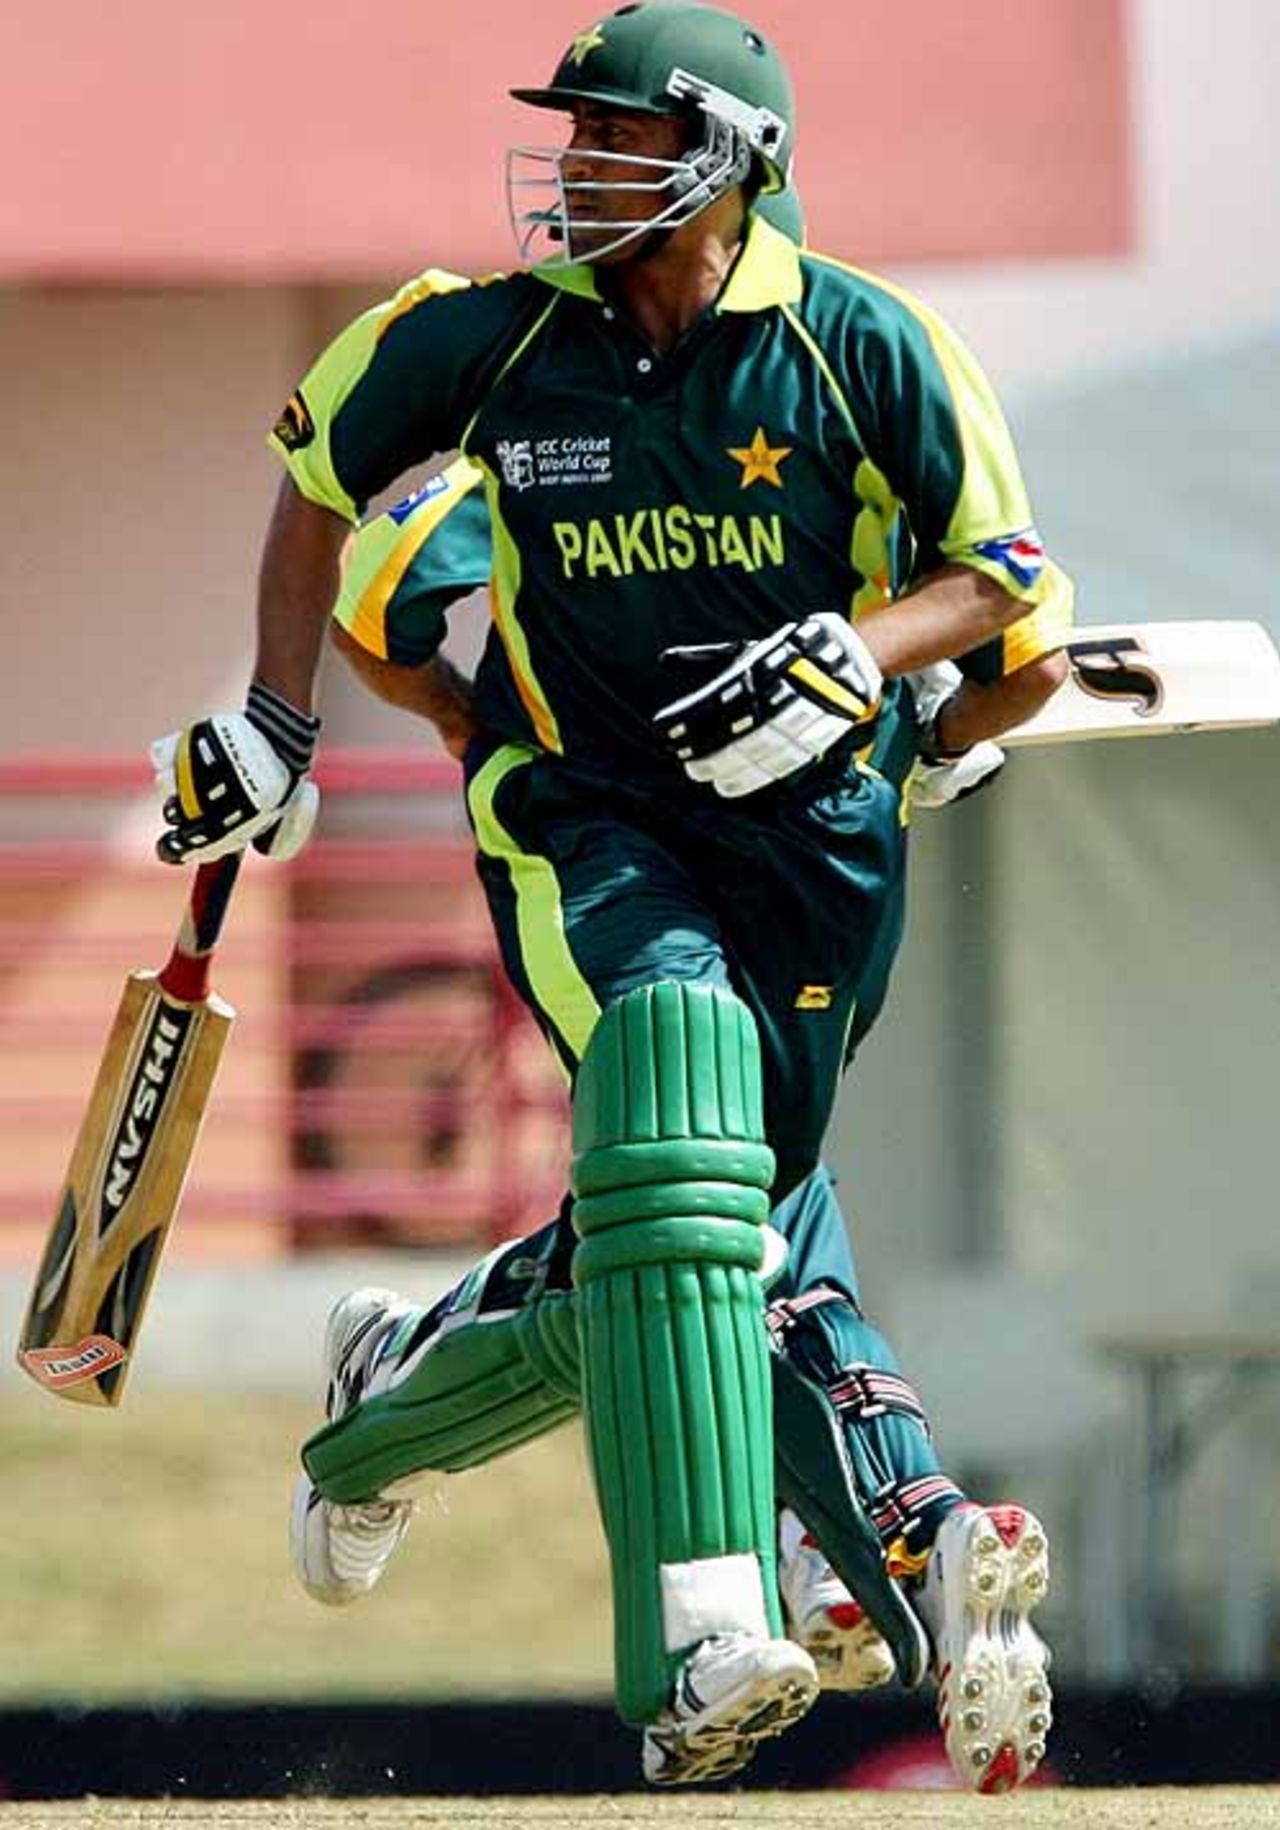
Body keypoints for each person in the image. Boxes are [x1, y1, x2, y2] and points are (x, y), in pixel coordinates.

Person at [151, 1, 1070, 1792]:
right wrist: (276, 720)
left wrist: (884, 676)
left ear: (728, 162)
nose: (574, 164)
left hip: (818, 851)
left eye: (614, 138)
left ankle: (394, 1399)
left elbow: (1010, 586)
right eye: (572, 135)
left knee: (718, 1222)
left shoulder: (864, 346)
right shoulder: (492, 345)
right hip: (587, 820)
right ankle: (717, 1617)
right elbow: (324, 478)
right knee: (675, 1077)